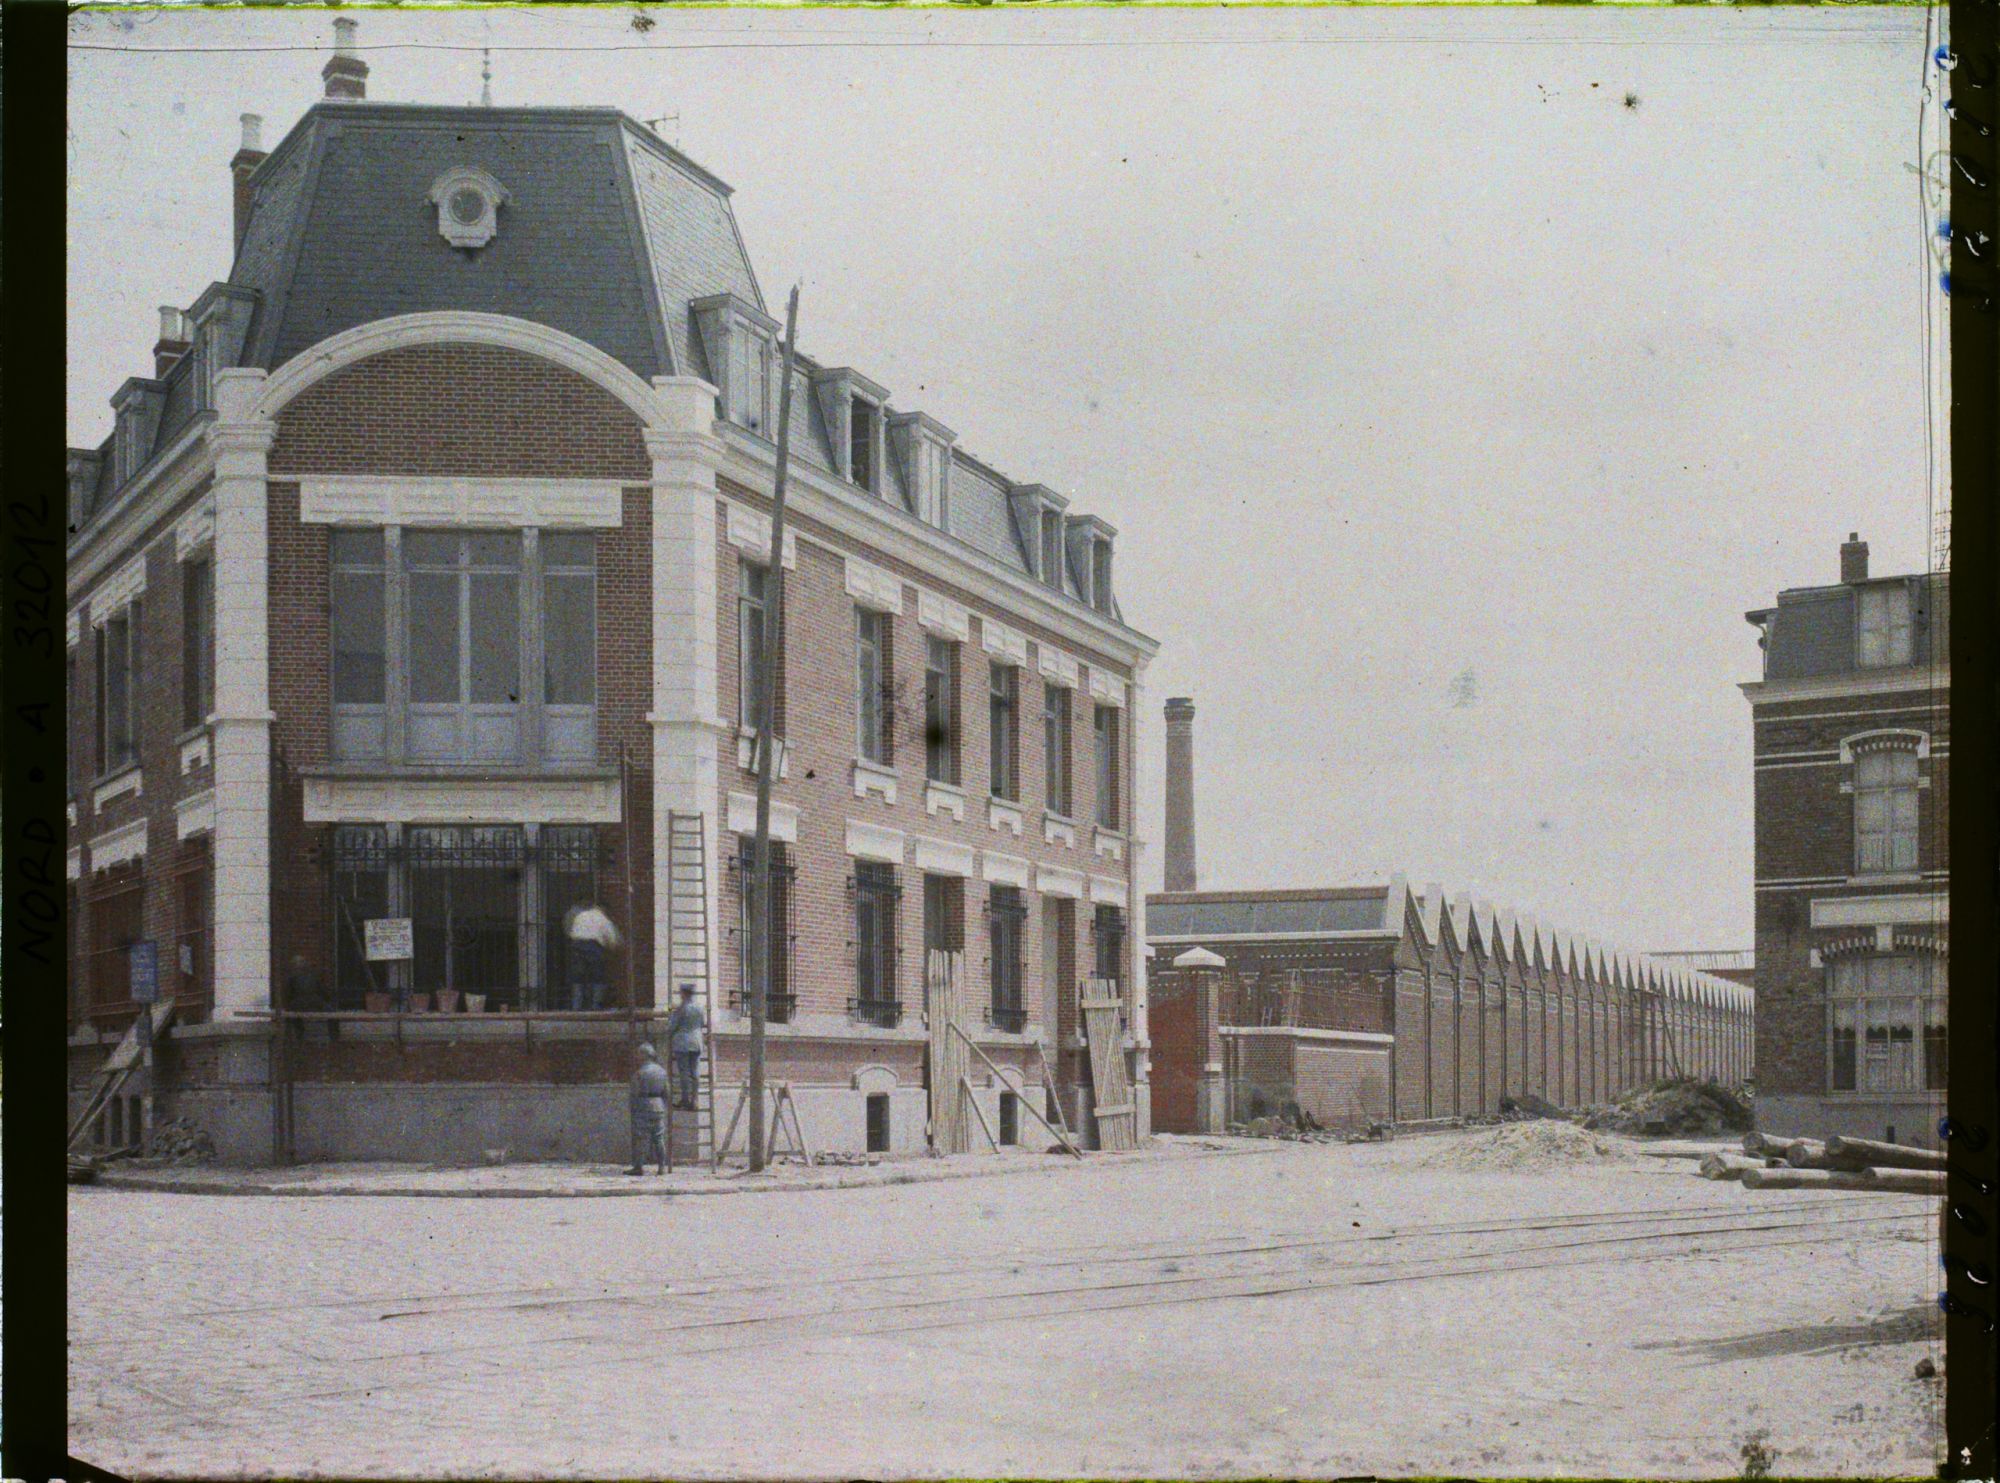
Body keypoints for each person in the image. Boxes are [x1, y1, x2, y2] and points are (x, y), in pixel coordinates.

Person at [566, 904, 620, 1011]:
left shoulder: (580, 915)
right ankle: (596, 1005)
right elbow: (612, 939)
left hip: (576, 945)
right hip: (593, 946)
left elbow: (570, 931)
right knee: (597, 976)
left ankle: (576, 1006)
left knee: (578, 977)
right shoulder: (602, 918)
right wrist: (614, 947)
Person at [627, 1042, 670, 1175]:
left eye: (639, 1054)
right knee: (659, 1138)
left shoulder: (639, 1073)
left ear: (645, 1055)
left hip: (643, 1106)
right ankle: (662, 1167)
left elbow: (634, 1093)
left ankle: (639, 1167)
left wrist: (633, 1109)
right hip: (658, 1106)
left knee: (641, 1138)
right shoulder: (662, 1072)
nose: (637, 1057)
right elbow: (667, 1092)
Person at [663, 984, 707, 1110]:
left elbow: (672, 1027)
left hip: (683, 1042)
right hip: (697, 1041)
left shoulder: (681, 1009)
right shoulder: (699, 1007)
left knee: (684, 1072)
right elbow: (702, 1023)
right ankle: (695, 1099)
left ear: (684, 993)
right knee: (695, 1071)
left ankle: (685, 1099)